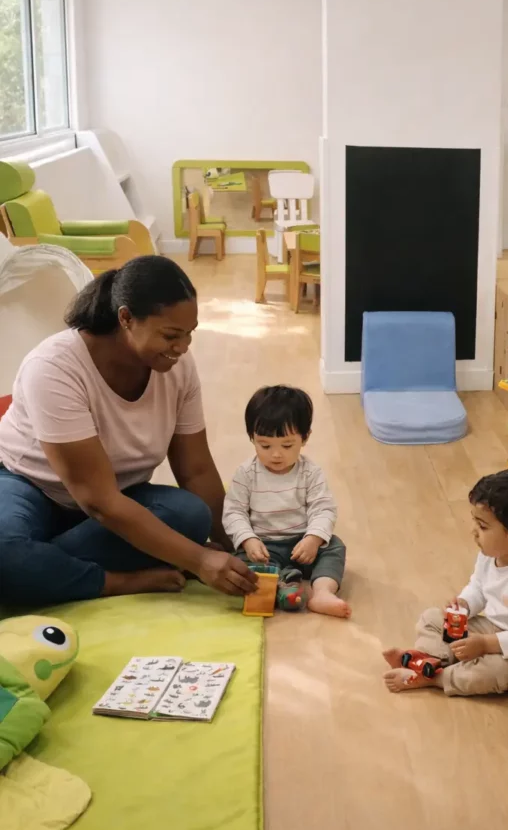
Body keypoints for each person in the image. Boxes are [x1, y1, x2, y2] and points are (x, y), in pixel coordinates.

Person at [0, 256, 256, 608]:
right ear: (125, 318)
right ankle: (114, 581)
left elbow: (196, 471)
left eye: (189, 334)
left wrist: (242, 545)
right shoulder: (54, 368)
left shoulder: (177, 368)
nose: (182, 348)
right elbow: (98, 501)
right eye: (170, 335)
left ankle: (41, 568)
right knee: (5, 552)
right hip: (30, 486)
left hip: (120, 498)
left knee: (190, 515)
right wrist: (197, 559)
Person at [382, 469, 508, 695]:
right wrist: (465, 604)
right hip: (495, 629)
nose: (474, 532)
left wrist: (485, 645)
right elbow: (479, 587)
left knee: (488, 673)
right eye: (476, 522)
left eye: (483, 527)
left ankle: (438, 678)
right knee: (432, 619)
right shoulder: (490, 553)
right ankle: (429, 661)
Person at [222, 385, 350, 619]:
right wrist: (248, 539)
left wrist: (313, 538)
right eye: (265, 445)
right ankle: (282, 586)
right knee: (238, 563)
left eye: (287, 445)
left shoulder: (310, 473)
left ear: (305, 437)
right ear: (252, 438)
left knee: (334, 547)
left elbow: (323, 508)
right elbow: (234, 512)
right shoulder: (246, 474)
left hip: (303, 543)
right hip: (264, 546)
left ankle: (321, 592)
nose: (276, 454)